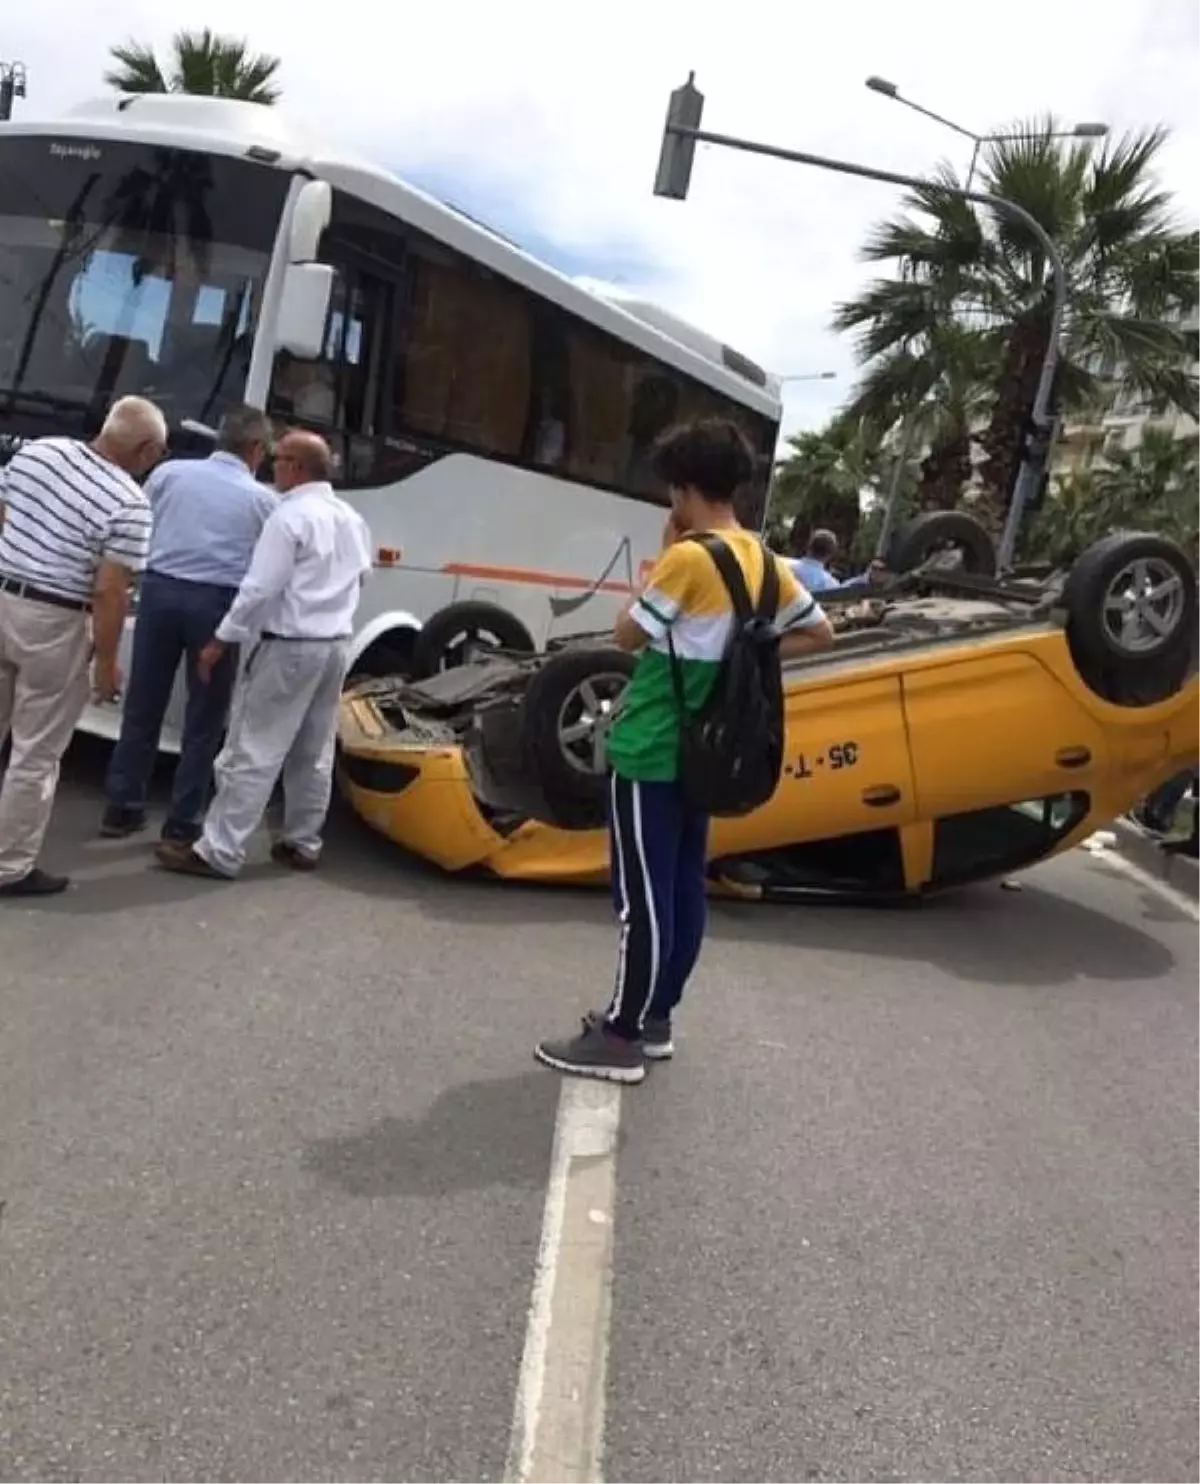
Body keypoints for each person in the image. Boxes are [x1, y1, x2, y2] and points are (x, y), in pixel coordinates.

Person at [535, 419, 836, 1083]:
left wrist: (664, 555)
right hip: (712, 750)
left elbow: (627, 637)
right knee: (681, 886)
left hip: (653, 746)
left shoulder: (689, 557)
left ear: (684, 487)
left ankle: (619, 1039)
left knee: (639, 897)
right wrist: (745, 652)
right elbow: (821, 630)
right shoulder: (764, 559)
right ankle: (657, 1018)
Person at [154, 429, 372, 881]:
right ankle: (303, 841)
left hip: (288, 646)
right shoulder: (351, 517)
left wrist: (221, 640)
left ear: (295, 466)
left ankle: (219, 850)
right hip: (334, 646)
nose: (271, 466)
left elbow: (259, 590)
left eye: (278, 459)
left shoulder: (288, 517)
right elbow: (361, 577)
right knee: (313, 751)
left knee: (251, 750)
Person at [0, 396, 166, 897]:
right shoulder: (130, 503)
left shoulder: (38, 452)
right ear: (145, 449)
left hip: (2, 592)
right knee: (35, 753)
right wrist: (107, 665)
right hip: (55, 621)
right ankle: (9, 866)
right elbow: (109, 591)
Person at [100, 405, 278, 844]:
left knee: (143, 705)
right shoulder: (263, 500)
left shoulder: (170, 474)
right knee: (204, 716)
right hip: (215, 605)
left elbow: (142, 524)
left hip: (159, 594)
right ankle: (182, 821)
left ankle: (122, 807)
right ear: (256, 449)